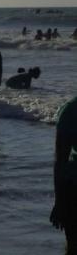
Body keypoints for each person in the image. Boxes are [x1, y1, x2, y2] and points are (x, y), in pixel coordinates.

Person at [51, 96, 77, 254]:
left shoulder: (71, 109)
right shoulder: (71, 110)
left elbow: (60, 159)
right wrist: (60, 201)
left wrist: (59, 202)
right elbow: (60, 159)